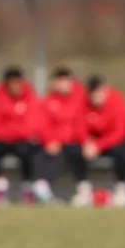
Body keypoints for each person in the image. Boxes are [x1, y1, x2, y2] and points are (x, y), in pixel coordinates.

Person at [36, 67, 89, 205]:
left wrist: (83, 141)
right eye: (58, 81)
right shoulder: (49, 101)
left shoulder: (82, 98)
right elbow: (43, 124)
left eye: (65, 81)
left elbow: (81, 123)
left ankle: (83, 188)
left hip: (75, 141)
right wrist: (49, 141)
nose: (62, 85)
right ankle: (42, 187)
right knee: (41, 152)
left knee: (75, 151)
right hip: (55, 143)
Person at [0, 67, 40, 202]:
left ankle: (27, 187)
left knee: (27, 151)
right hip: (3, 139)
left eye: (18, 82)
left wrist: (13, 129)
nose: (15, 86)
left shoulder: (31, 98)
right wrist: (13, 130)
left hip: (23, 140)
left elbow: (32, 125)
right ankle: (0, 186)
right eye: (12, 83)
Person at [83, 76, 125, 205]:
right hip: (93, 143)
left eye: (99, 94)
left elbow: (120, 132)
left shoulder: (118, 100)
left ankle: (121, 186)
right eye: (93, 95)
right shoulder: (84, 103)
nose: (96, 98)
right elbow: (79, 126)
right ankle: (83, 188)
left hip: (111, 142)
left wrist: (98, 145)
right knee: (74, 149)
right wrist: (86, 142)